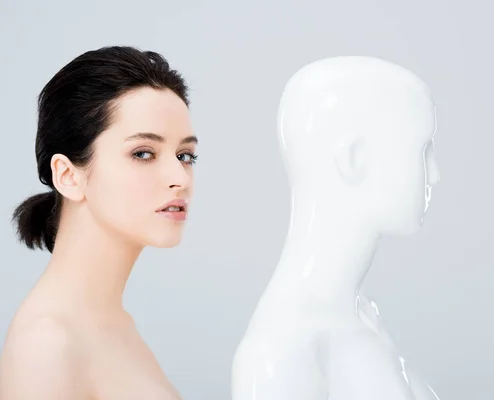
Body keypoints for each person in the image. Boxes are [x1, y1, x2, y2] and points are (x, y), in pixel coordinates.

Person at [231, 56, 441, 400]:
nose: (435, 174)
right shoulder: (281, 355)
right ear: (354, 160)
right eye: (422, 150)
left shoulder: (361, 317)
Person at [0, 46, 196, 399]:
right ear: (68, 175)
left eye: (185, 155)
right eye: (143, 153)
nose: (179, 177)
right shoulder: (47, 344)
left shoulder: (114, 323)